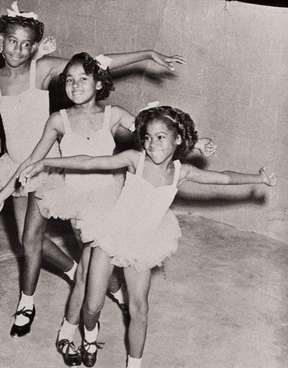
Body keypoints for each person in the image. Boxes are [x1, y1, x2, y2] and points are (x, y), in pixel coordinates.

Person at [0, 1, 185, 338]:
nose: (19, 49)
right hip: (19, 168)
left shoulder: (42, 70)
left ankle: (111, 287)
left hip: (55, 168)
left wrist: (148, 53)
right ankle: (29, 300)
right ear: (0, 42)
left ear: (34, 47)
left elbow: (95, 64)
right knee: (29, 239)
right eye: (12, 41)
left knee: (96, 242)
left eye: (26, 43)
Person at [0, 52, 216, 366]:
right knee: (87, 273)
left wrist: (194, 142)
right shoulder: (58, 119)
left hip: (108, 204)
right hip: (74, 200)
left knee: (90, 271)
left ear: (98, 81)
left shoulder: (114, 114)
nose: (75, 85)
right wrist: (1, 197)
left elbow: (156, 132)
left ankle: (75, 328)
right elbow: (31, 161)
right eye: (69, 79)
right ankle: (81, 323)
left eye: (83, 78)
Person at [17, 106, 277, 368]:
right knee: (93, 306)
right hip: (110, 235)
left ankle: (134, 364)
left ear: (178, 139)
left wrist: (259, 178)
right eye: (148, 137)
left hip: (143, 243)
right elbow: (88, 161)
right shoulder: (135, 159)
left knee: (139, 310)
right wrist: (46, 162)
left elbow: (223, 178)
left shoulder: (181, 172)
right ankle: (90, 336)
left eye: (161, 137)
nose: (152, 144)